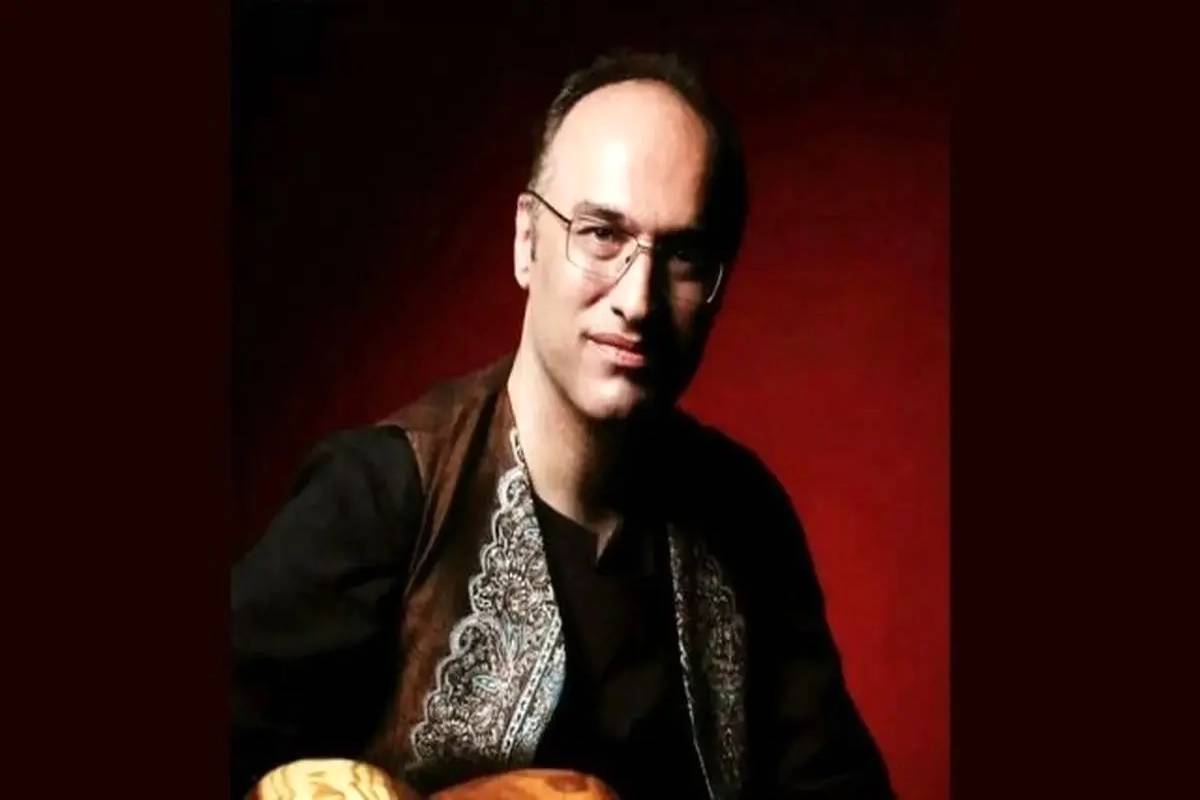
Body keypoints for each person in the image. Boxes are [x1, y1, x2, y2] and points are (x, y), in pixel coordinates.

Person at [232, 51, 893, 800]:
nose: (637, 301)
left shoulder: (747, 518)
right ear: (528, 241)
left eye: (682, 255)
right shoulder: (383, 495)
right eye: (602, 233)